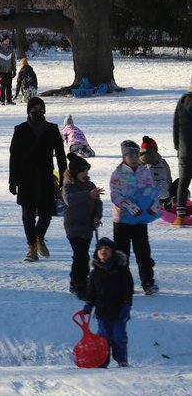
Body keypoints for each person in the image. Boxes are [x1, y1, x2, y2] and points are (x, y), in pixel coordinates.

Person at [9, 96, 67, 262]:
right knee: (27, 216)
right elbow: (14, 157)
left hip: (46, 177)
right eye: (34, 109)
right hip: (26, 179)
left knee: (46, 213)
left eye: (40, 109)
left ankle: (39, 237)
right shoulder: (20, 129)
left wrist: (63, 176)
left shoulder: (52, 129)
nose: (37, 112)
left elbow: (61, 155)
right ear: (28, 111)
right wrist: (12, 181)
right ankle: (32, 247)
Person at [109, 139, 159, 295]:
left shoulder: (144, 171)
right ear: (124, 156)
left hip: (140, 218)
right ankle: (122, 283)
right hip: (122, 219)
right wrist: (126, 204)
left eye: (136, 154)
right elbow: (114, 193)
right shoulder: (118, 173)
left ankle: (148, 282)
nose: (134, 157)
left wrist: (153, 205)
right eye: (130, 155)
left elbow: (151, 190)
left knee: (143, 252)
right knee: (122, 254)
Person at [82, 237, 134, 368]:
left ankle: (122, 360)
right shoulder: (95, 273)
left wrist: (127, 304)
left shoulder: (122, 270)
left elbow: (128, 289)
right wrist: (89, 304)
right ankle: (102, 361)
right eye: (100, 249)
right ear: (96, 253)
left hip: (119, 311)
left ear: (113, 252)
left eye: (106, 248)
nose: (103, 251)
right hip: (102, 312)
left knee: (119, 337)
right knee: (103, 339)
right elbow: (92, 291)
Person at [62, 154, 103, 300]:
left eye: (87, 171)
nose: (85, 174)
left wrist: (97, 216)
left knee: (83, 254)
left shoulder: (90, 186)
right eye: (82, 172)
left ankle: (81, 280)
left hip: (87, 226)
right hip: (73, 226)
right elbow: (70, 200)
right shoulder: (68, 185)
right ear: (74, 173)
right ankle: (78, 282)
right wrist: (88, 195)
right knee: (80, 254)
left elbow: (98, 203)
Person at [173, 78, 192, 221]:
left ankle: (180, 214)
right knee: (184, 180)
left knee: (184, 180)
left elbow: (175, 126)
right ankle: (180, 213)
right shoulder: (188, 100)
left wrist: (177, 146)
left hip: (184, 148)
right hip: (187, 147)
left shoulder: (181, 101)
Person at [138, 136, 172, 208]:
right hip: (164, 195)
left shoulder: (137, 163)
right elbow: (169, 178)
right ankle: (169, 203)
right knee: (179, 183)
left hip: (146, 196)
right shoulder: (162, 162)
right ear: (156, 148)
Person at [0, 35, 17, 105]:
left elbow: (13, 60)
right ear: (2, 41)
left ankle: (9, 100)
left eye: (8, 40)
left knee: (9, 86)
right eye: (6, 40)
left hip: (9, 70)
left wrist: (14, 70)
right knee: (3, 86)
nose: (8, 42)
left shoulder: (11, 49)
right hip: (1, 70)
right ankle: (2, 100)